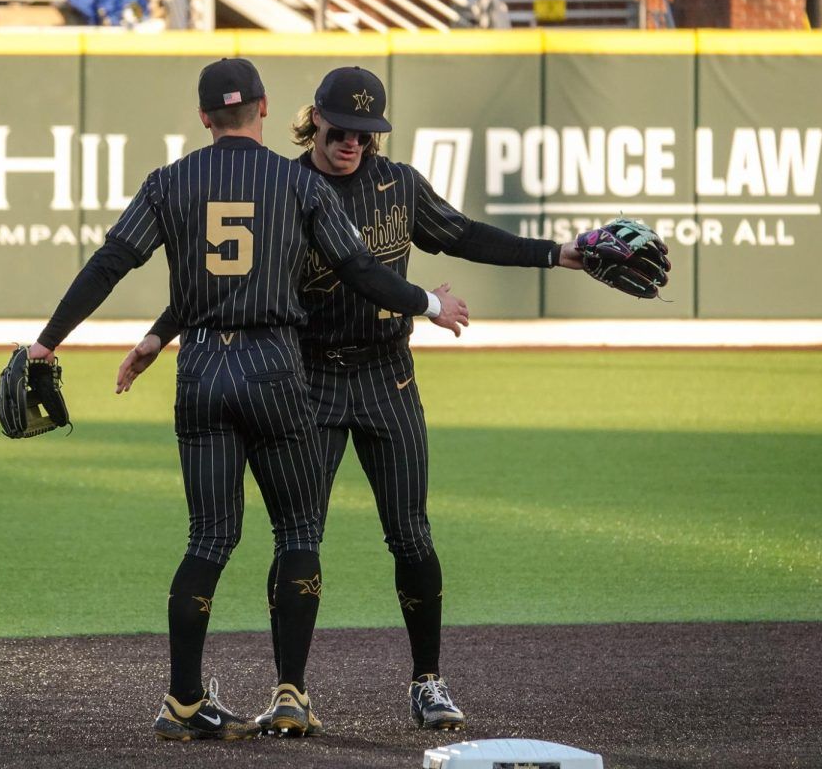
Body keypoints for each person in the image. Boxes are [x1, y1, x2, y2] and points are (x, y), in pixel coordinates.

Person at [118, 65, 590, 733]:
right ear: (314, 119)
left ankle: (427, 681)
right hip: (307, 379)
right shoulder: (283, 184)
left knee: (411, 533)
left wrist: (558, 254)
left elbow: (463, 234)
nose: (352, 143)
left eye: (365, 134)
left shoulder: (398, 185)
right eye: (341, 129)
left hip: (387, 378)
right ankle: (290, 691)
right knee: (300, 534)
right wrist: (160, 334)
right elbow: (224, 281)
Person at [30, 58, 469, 741]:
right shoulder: (297, 183)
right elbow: (357, 268)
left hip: (203, 366)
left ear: (204, 116)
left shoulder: (169, 182)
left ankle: (183, 702)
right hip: (274, 369)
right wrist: (428, 303)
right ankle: (291, 694)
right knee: (297, 533)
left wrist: (47, 343)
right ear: (264, 108)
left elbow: (111, 262)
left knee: (208, 537)